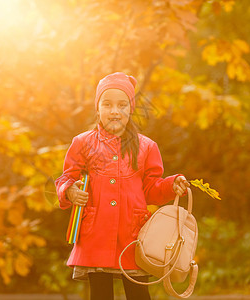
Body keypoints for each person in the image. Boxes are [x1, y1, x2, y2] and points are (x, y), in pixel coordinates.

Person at [55, 72, 190, 300]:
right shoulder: (83, 143)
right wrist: (70, 190)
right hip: (95, 233)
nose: (114, 111)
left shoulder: (146, 147)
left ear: (131, 109)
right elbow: (66, 177)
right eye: (107, 104)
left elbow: (151, 188)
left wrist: (170, 184)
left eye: (121, 105)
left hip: (132, 234)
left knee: (139, 294)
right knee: (100, 294)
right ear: (97, 108)